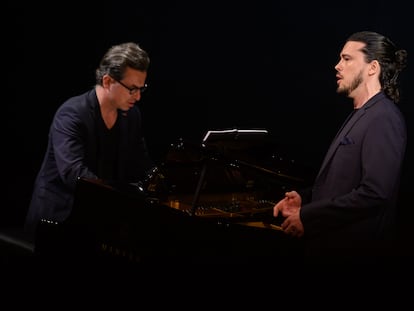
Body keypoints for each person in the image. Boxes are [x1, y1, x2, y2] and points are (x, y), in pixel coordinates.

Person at [273, 31, 408, 264]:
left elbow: (374, 194)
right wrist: (305, 199)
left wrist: (308, 217)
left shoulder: (383, 117)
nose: (337, 66)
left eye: (347, 59)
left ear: (372, 67)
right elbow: (342, 185)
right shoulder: (362, 114)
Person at [24, 42, 156, 241]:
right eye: (132, 89)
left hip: (98, 217)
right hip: (57, 218)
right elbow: (73, 174)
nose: (137, 96)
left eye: (141, 89)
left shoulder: (132, 116)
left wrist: (162, 183)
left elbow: (141, 163)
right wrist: (119, 199)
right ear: (107, 81)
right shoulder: (72, 114)